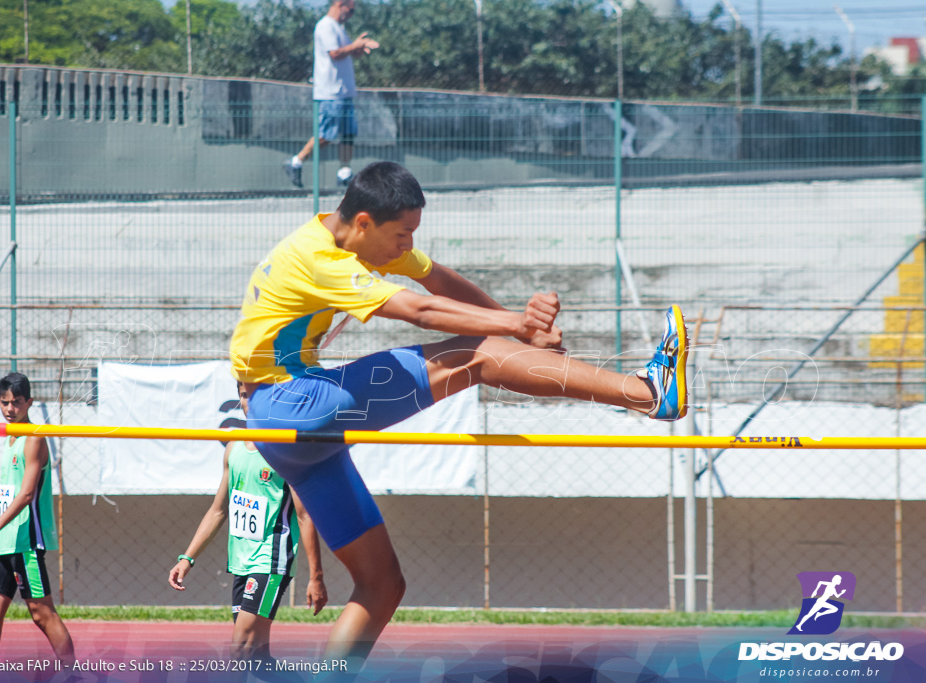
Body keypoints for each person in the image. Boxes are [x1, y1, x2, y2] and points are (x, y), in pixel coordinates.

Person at [230, 160, 688, 668]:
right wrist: (514, 325)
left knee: (382, 584)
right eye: (402, 236)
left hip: (289, 437)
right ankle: (650, 393)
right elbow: (420, 311)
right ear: (363, 222)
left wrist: (521, 331)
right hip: (291, 404)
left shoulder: (351, 235)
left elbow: (437, 282)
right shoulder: (319, 259)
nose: (407, 247)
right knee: (481, 355)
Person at [168, 382, 328, 661]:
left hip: (269, 562)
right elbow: (218, 510)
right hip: (241, 562)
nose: (250, 402)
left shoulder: (285, 451)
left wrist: (316, 577)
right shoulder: (233, 449)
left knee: (239, 649)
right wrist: (187, 558)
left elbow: (304, 515)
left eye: (259, 396)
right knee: (258, 659)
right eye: (244, 395)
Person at [0, 372, 75, 668]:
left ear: (28, 402)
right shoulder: (9, 437)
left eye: (16, 403)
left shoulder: (33, 437)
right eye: (4, 403)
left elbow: (27, 494)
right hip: (4, 543)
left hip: (25, 540)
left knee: (42, 614)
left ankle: (74, 674)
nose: (9, 409)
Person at [283, 0, 379, 189]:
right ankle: (296, 162)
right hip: (330, 92)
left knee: (348, 134)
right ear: (341, 4)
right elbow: (335, 53)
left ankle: (344, 173)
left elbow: (349, 53)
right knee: (325, 136)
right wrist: (355, 45)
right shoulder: (325, 26)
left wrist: (358, 47)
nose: (351, 14)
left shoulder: (339, 28)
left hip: (344, 92)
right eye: (350, 10)